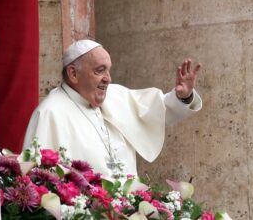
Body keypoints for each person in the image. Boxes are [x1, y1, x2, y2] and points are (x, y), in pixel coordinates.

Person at [23, 39, 202, 178]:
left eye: (108, 70)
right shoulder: (50, 113)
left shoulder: (115, 95)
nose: (108, 78)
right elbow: (38, 180)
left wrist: (183, 96)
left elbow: (158, 110)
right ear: (73, 73)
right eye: (99, 70)